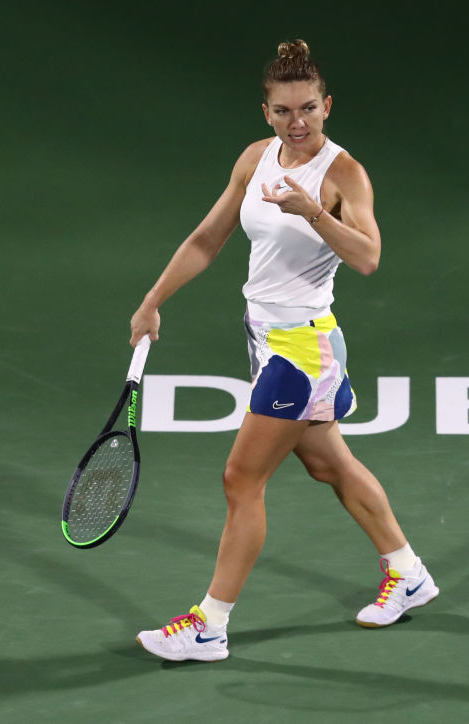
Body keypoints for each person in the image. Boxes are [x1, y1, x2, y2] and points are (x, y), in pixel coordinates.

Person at [130, 40, 438, 662]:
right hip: (266, 336)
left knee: (241, 479)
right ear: (266, 112)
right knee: (329, 465)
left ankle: (209, 626)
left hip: (302, 349)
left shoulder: (343, 175)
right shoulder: (255, 158)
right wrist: (152, 300)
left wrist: (312, 211)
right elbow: (207, 238)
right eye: (282, 111)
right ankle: (408, 573)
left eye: (308, 109)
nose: (297, 122)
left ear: (327, 106)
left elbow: (369, 257)